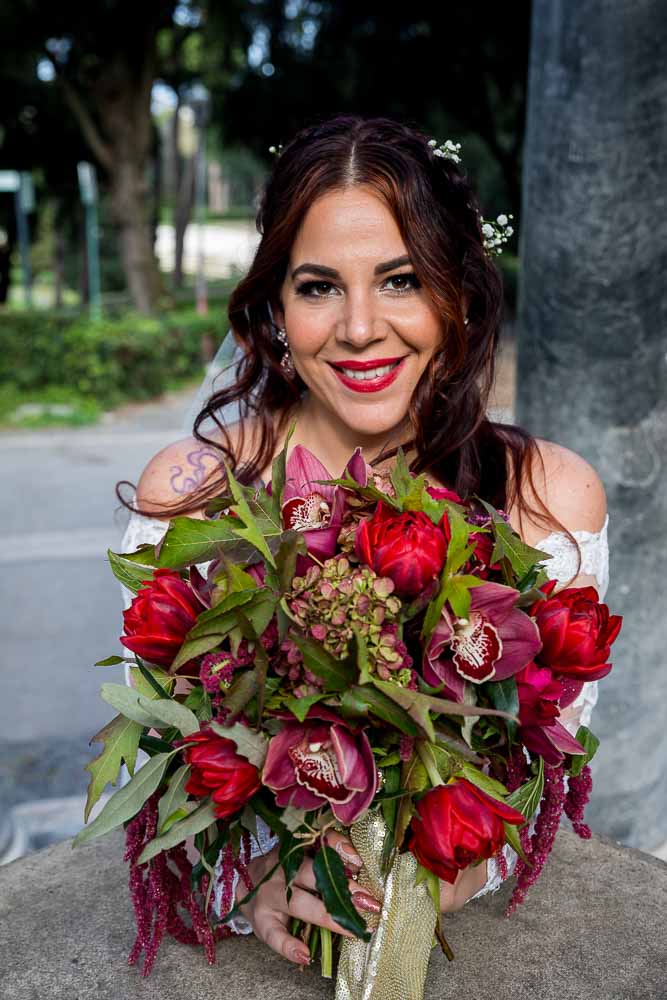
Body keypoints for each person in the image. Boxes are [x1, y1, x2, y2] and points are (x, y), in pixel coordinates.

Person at [116, 113, 610, 968]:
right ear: (274, 305)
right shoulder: (191, 496)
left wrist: (436, 877)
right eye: (316, 287)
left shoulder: (546, 498)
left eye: (400, 280)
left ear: (455, 294)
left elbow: (532, 777)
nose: (357, 328)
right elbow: (163, 764)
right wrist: (261, 869)